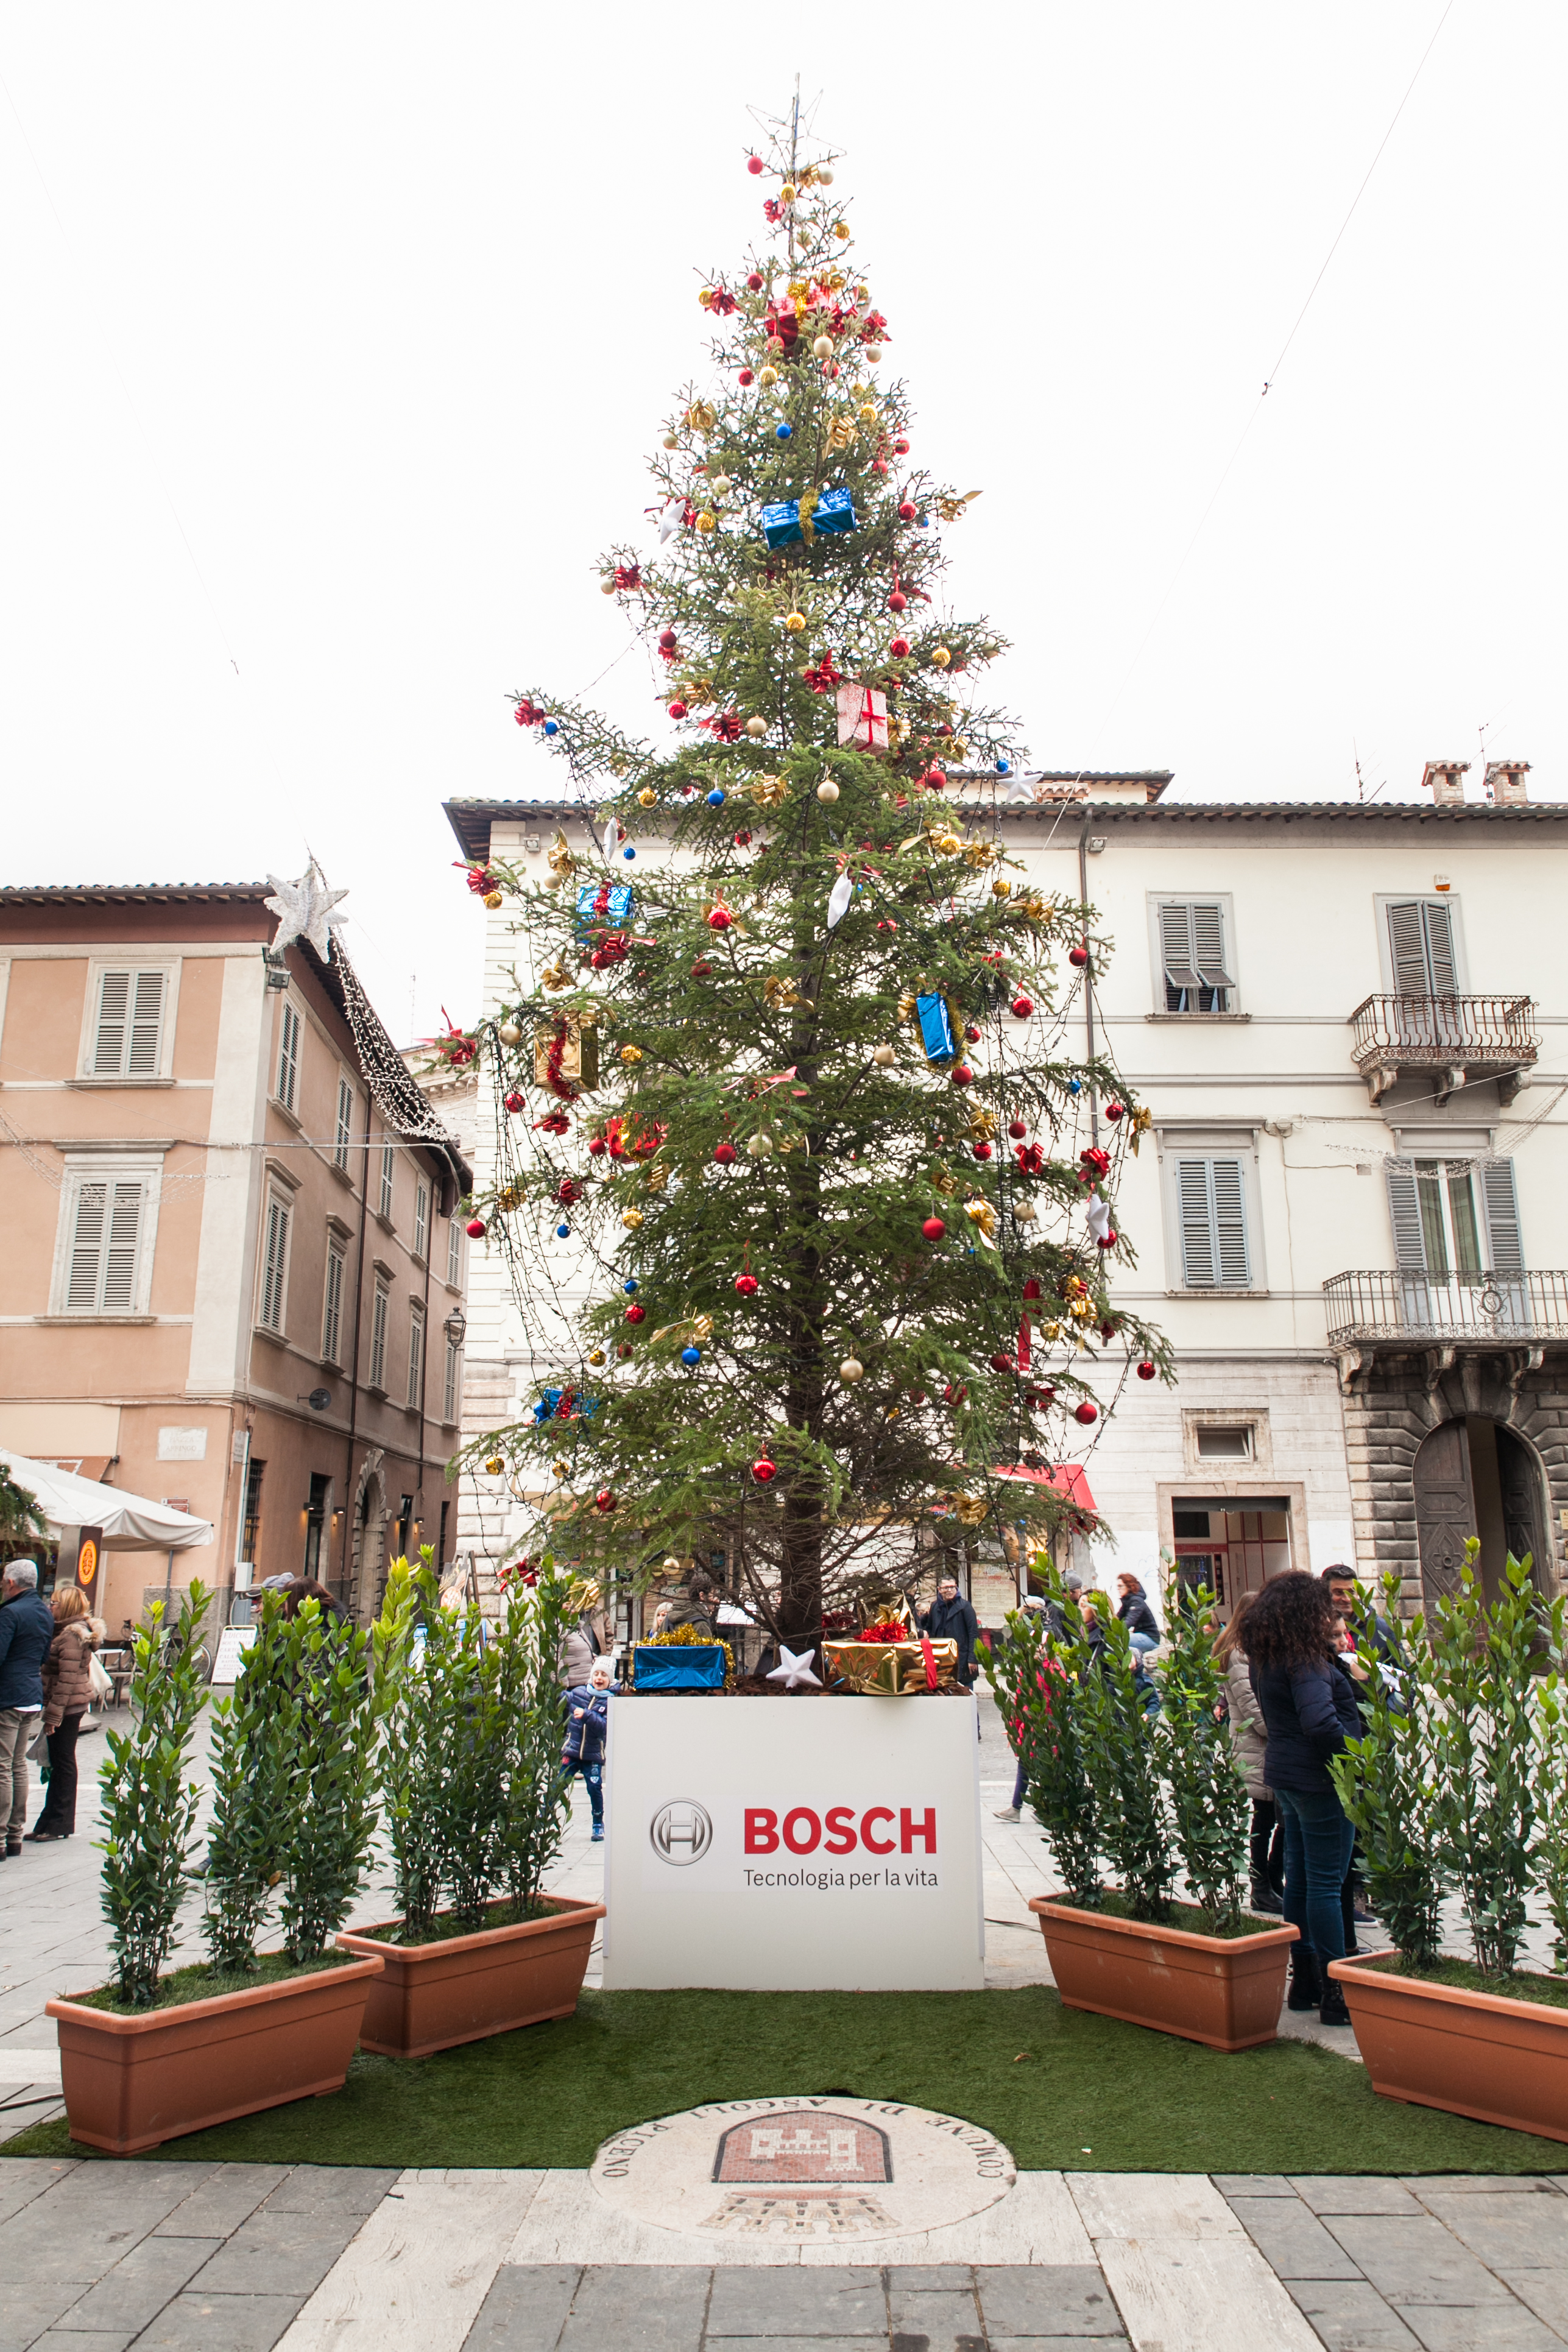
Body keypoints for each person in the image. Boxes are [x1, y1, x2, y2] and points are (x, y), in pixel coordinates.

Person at [1244, 1569, 1362, 2027]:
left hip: (1288, 1778)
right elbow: (1319, 1722)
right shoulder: (1305, 1660)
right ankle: (1335, 1988)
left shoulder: (1267, 1656)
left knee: (1302, 1877)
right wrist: (1356, 1755)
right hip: (1321, 1779)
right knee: (1327, 1882)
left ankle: (1306, 1978)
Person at [1215, 1592, 1283, 1916]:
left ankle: (1271, 1882)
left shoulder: (1253, 1651)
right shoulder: (1239, 1655)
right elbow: (1252, 1709)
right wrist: (1283, 1729)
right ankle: (1261, 1887)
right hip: (1256, 1748)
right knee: (1265, 1819)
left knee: (1273, 1818)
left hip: (1262, 1748)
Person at [26, 1586, 105, 1843]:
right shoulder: (65, 1631)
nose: (51, 1606)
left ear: (68, 1606)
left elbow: (67, 1681)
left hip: (67, 1707)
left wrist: (53, 1716)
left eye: (56, 1603)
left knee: (63, 1763)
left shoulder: (72, 1636)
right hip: (67, 1705)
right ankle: (49, 1821)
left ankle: (59, 1822)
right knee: (60, 1763)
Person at [0, 1562, 57, 1860]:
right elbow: (44, 1654)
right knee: (18, 1766)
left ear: (11, 1582)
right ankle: (14, 1834)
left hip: (8, 1695)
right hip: (31, 1693)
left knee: (2, 1767)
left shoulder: (10, 1612)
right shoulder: (44, 1613)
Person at [562, 1654, 612, 1840]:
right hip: (572, 1751)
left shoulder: (610, 1702)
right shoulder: (579, 1693)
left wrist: (586, 1715)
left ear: (610, 1680)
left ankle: (598, 1823)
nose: (599, 1678)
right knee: (559, 1782)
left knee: (594, 1788)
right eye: (597, 1674)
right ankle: (545, 1812)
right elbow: (562, 1699)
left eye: (604, 1675)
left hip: (593, 1756)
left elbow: (603, 1727)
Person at [920, 1573, 979, 1687]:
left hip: (961, 1659)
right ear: (939, 1589)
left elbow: (973, 1634)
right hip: (940, 1659)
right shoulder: (935, 1607)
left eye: (953, 1587)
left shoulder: (965, 1607)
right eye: (946, 1588)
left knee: (964, 1695)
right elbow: (930, 1630)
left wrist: (972, 1659)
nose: (950, 1590)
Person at [561, 1581, 607, 1686]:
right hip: (573, 1685)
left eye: (573, 1608)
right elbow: (556, 1661)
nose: (570, 1611)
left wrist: (599, 1659)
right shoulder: (560, 1630)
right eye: (566, 1608)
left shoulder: (577, 1627)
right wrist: (562, 1687)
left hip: (585, 1682)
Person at [660, 1570, 720, 1644]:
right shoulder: (701, 1625)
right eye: (713, 1596)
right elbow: (708, 1654)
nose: (717, 1600)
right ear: (702, 1596)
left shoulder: (667, 1619)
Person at [1115, 1573, 1161, 1642]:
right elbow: (1117, 1619)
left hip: (1150, 1637)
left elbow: (1130, 1621)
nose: (1118, 1589)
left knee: (1118, 1642)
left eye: (1120, 1586)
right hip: (1139, 1635)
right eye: (1118, 1586)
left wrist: (1115, 1632)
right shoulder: (1127, 1601)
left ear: (1129, 1586)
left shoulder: (1137, 1601)